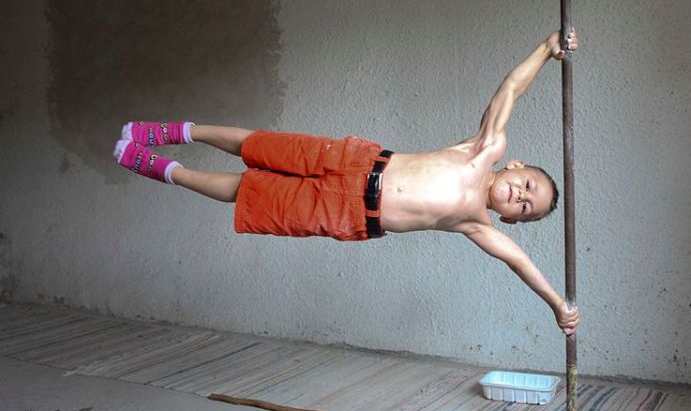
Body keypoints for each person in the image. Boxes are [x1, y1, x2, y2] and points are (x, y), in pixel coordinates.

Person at [114, 30, 580, 335]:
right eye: (528, 188)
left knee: (249, 193)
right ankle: (177, 132)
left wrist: (559, 305)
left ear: (511, 221)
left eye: (525, 208)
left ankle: (164, 170)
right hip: (357, 162)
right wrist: (546, 47)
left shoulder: (476, 223)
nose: (520, 197)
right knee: (259, 145)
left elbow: (520, 264)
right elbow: (511, 89)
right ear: (516, 165)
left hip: (349, 213)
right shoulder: (482, 151)